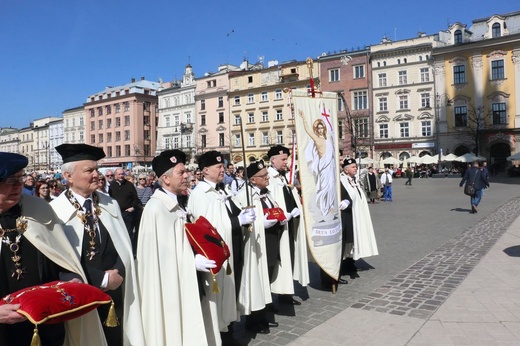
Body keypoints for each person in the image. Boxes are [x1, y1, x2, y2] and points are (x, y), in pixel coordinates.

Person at [0, 152, 106, 346]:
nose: (18, 185)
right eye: (10, 180)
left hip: (46, 325)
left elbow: (59, 255)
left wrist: (69, 277)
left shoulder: (38, 208)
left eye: (20, 178)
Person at [51, 144, 145, 346]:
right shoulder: (54, 211)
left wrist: (118, 272)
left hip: (117, 288)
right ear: (68, 176)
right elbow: (58, 260)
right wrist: (102, 279)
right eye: (89, 170)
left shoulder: (108, 202)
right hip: (82, 292)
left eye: (96, 169)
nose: (97, 175)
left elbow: (124, 243)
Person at [137, 149, 218, 345]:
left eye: (185, 172)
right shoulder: (156, 208)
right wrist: (191, 261)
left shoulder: (178, 203)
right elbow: (158, 260)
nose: (187, 176)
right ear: (165, 179)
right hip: (171, 288)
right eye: (181, 173)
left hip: (188, 279)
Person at [187, 150, 255, 344]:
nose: (222, 170)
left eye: (223, 166)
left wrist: (243, 214)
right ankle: (222, 337)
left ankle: (229, 331)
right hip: (215, 254)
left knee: (229, 295)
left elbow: (227, 213)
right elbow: (205, 229)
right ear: (205, 170)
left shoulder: (221, 190)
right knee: (219, 298)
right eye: (218, 167)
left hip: (232, 248)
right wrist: (236, 222)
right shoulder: (201, 194)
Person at [234, 161, 278, 334]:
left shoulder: (265, 193)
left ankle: (263, 314)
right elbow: (245, 219)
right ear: (253, 179)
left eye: (267, 174)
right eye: (263, 176)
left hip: (270, 240)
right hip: (255, 243)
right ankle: (254, 320)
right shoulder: (245, 194)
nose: (267, 178)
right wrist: (262, 223)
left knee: (265, 277)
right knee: (256, 280)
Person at [266, 145, 309, 306]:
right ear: (273, 159)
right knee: (276, 260)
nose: (286, 162)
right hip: (276, 227)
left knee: (288, 256)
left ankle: (285, 293)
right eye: (283, 159)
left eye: (287, 159)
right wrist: (283, 214)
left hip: (289, 224)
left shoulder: (283, 177)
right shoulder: (269, 177)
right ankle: (271, 296)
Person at [339, 158, 379, 274]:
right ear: (346, 170)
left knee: (355, 239)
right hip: (349, 215)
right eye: (352, 167)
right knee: (349, 239)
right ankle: (344, 262)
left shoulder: (354, 180)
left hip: (358, 214)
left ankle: (350, 261)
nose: (355, 168)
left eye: (355, 166)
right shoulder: (342, 180)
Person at [299, 110, 337, 218]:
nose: (320, 130)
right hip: (323, 166)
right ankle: (322, 207)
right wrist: (303, 118)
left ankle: (329, 206)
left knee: (331, 187)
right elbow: (307, 130)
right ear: (317, 129)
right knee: (324, 187)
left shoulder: (328, 139)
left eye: (322, 128)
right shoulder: (316, 139)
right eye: (318, 128)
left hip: (330, 166)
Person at [108, 168, 140, 243]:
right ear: (115, 175)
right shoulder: (111, 185)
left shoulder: (129, 185)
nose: (121, 176)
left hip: (127, 213)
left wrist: (133, 207)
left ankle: (129, 252)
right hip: (116, 213)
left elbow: (135, 198)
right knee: (117, 233)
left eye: (122, 174)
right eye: (119, 174)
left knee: (128, 234)